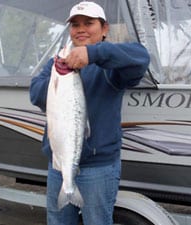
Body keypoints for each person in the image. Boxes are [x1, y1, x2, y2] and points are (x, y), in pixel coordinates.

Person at [30, 1, 150, 225]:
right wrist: (59, 74)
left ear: (104, 29)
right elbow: (36, 94)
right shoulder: (57, 62)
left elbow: (141, 58)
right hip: (59, 165)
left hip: (99, 168)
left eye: (89, 23)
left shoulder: (112, 67)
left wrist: (93, 54)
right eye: (75, 25)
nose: (81, 29)